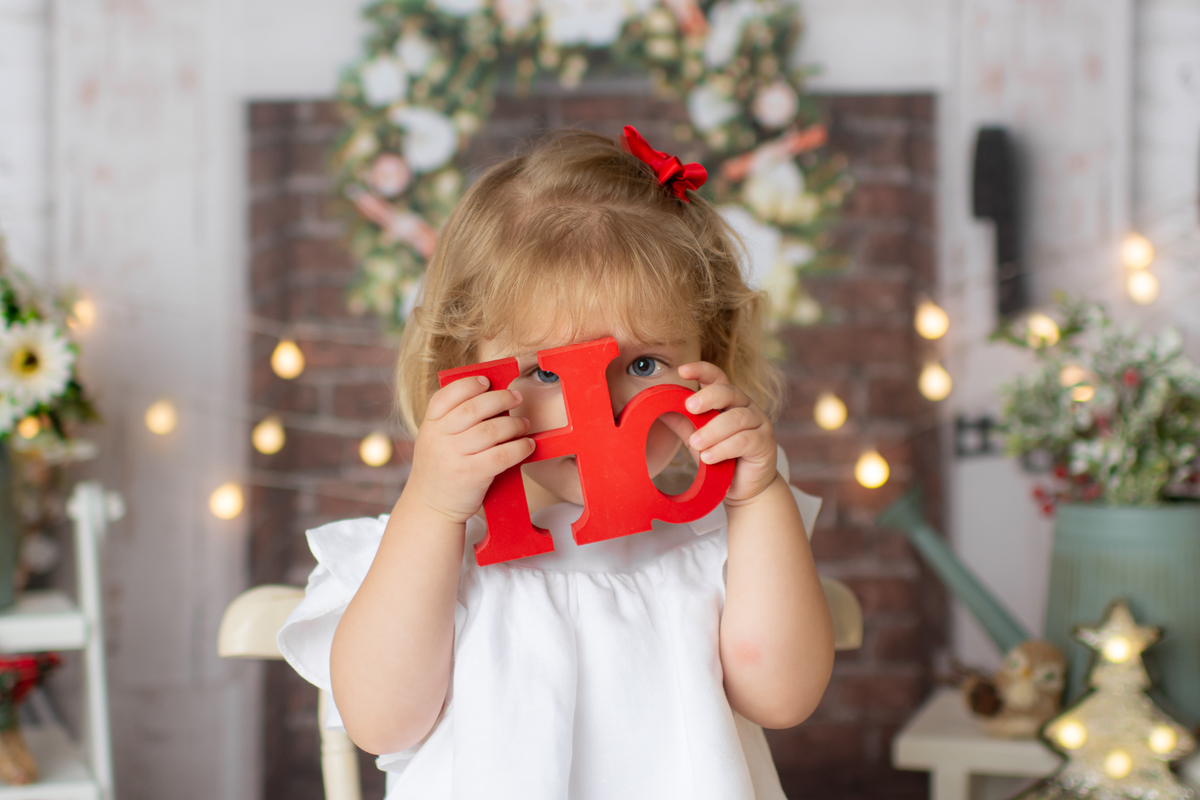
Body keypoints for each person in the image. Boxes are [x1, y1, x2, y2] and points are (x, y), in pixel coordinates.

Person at [278, 126, 834, 799]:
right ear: (463, 370)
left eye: (642, 364)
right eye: (547, 371)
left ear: (707, 360)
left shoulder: (720, 549)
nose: (596, 406)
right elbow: (382, 720)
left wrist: (757, 495)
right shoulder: (429, 559)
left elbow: (783, 696)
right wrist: (430, 507)